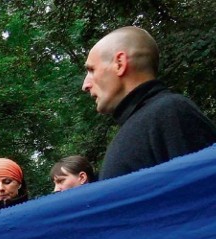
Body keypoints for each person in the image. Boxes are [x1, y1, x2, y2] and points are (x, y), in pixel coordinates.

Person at [82, 26, 216, 180]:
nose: (85, 85)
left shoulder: (171, 112)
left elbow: (202, 194)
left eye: (92, 70)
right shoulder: (143, 123)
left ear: (119, 63)